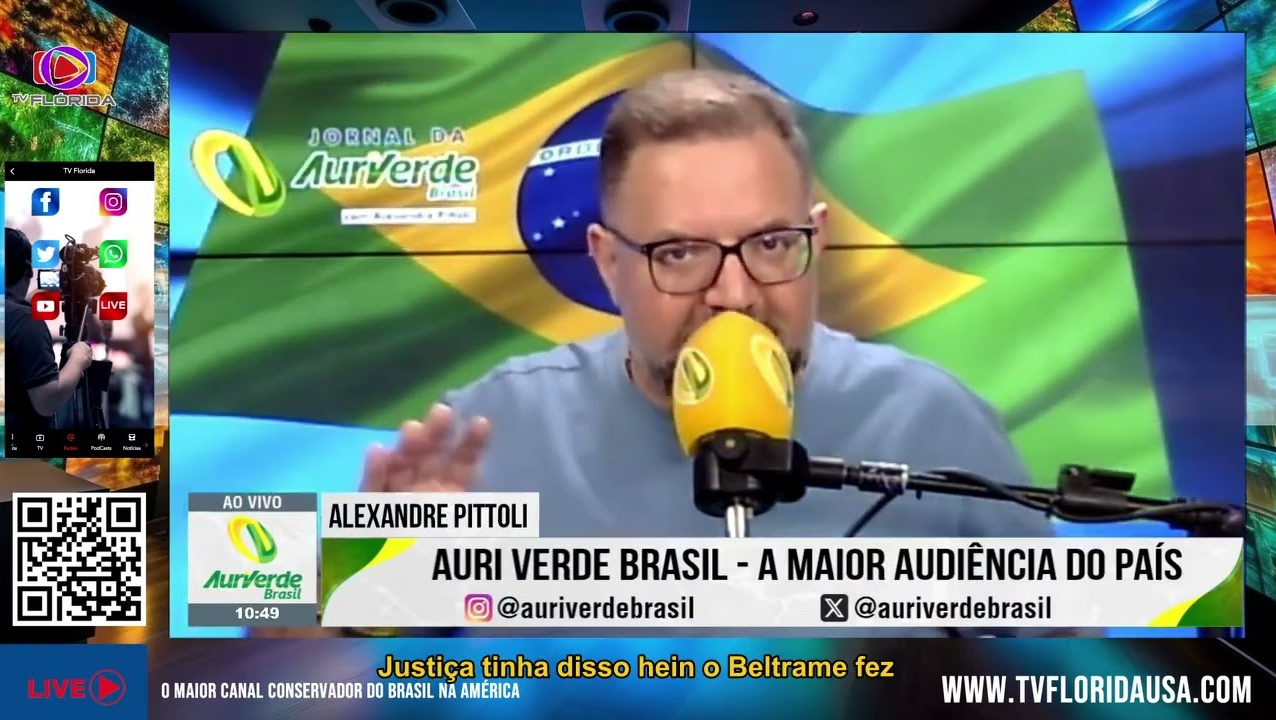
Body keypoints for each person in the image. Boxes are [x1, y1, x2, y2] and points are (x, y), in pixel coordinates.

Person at [272, 69, 1075, 638]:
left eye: (770, 243)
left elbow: (1068, 675)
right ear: (607, 263)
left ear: (818, 239)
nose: (734, 294)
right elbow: (312, 673)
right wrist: (363, 583)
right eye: (680, 253)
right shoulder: (492, 431)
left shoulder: (933, 421)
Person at [3, 227, 92, 432]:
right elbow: (47, 401)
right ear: (29, 269)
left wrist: (21, 304)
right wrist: (79, 358)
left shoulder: (13, 315)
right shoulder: (25, 320)